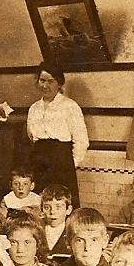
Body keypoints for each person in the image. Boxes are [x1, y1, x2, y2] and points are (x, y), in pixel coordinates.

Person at [26, 61, 89, 208]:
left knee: (62, 204)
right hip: (39, 162)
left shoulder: (70, 106)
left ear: (59, 83)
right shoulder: (34, 108)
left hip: (62, 163)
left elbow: (82, 141)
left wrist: (68, 164)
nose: (45, 86)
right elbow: (31, 136)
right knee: (40, 203)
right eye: (42, 81)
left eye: (50, 81)